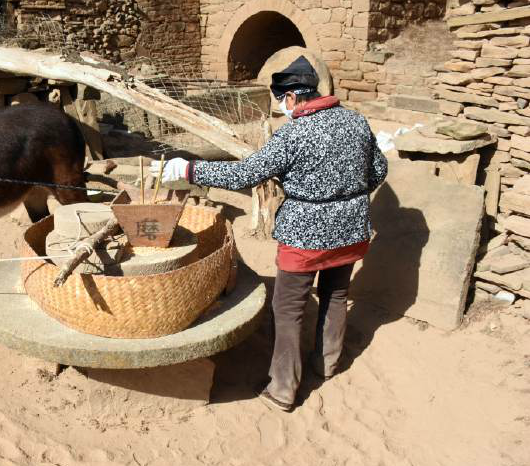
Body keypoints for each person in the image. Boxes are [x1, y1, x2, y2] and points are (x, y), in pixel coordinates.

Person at [154, 55, 388, 412]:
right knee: (335, 294)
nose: (283, 108)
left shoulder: (293, 134)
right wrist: (348, 193)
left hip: (304, 235)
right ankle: (327, 363)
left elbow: (245, 175)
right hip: (351, 228)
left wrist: (189, 168)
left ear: (292, 97)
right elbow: (379, 170)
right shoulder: (356, 122)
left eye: (282, 102)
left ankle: (283, 389)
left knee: (289, 307)